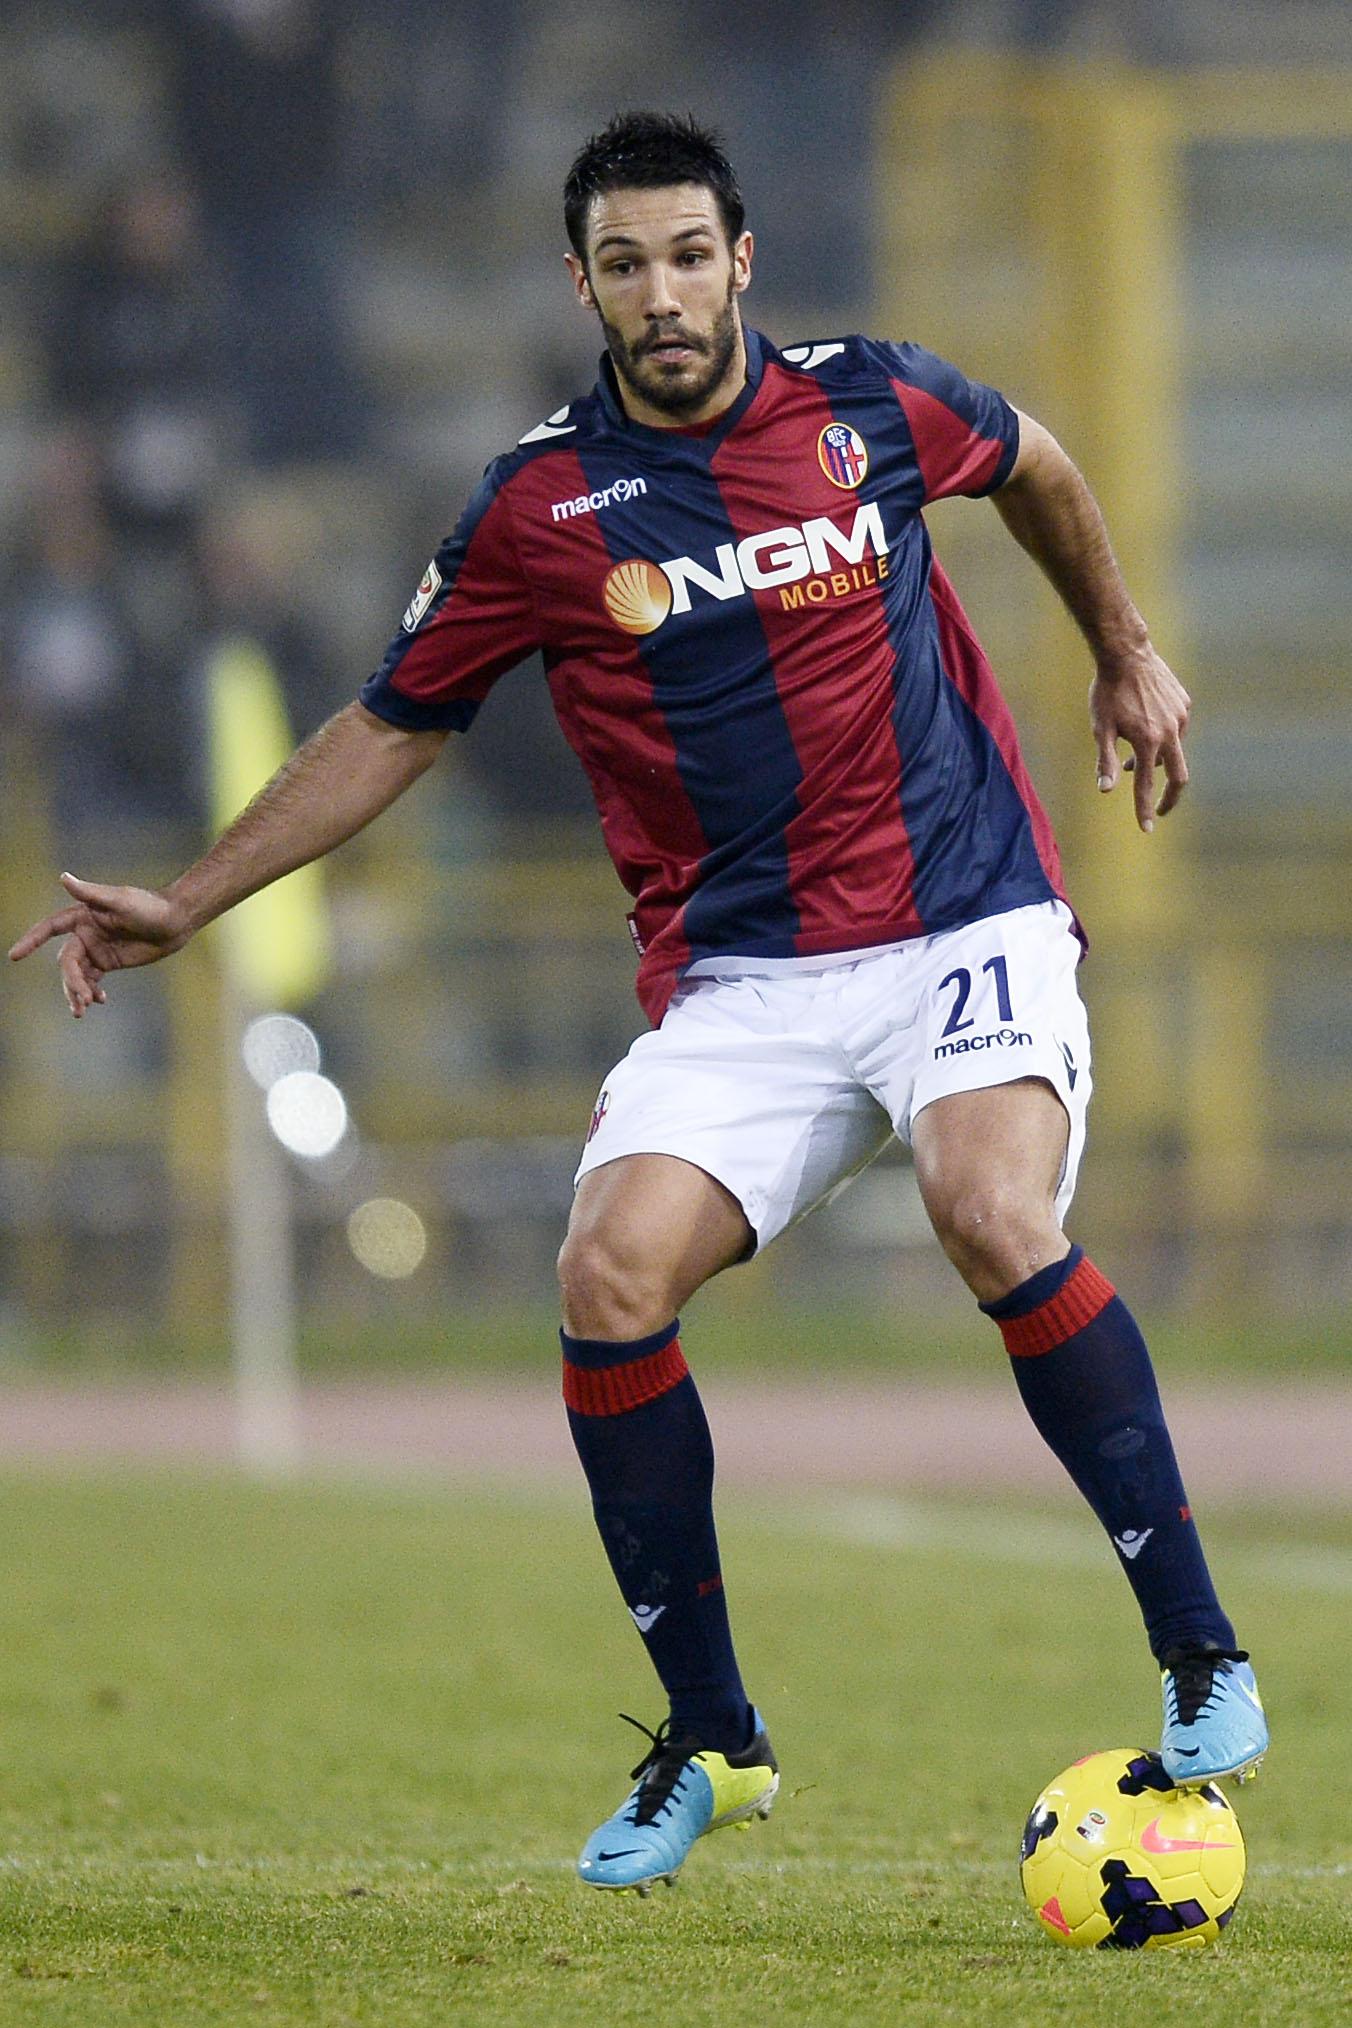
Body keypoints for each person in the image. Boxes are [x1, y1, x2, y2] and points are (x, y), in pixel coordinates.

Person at [11, 110, 1267, 1896]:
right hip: (743, 982)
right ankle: (716, 1739)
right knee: (605, 1277)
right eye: (627, 266)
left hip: (960, 915)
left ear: (741, 261)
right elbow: (393, 724)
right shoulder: (540, 507)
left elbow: (1041, 466)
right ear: (582, 284)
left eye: (689, 256)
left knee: (989, 1207)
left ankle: (1203, 1653)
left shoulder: (872, 406)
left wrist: (1125, 651)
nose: (664, 294)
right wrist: (191, 901)